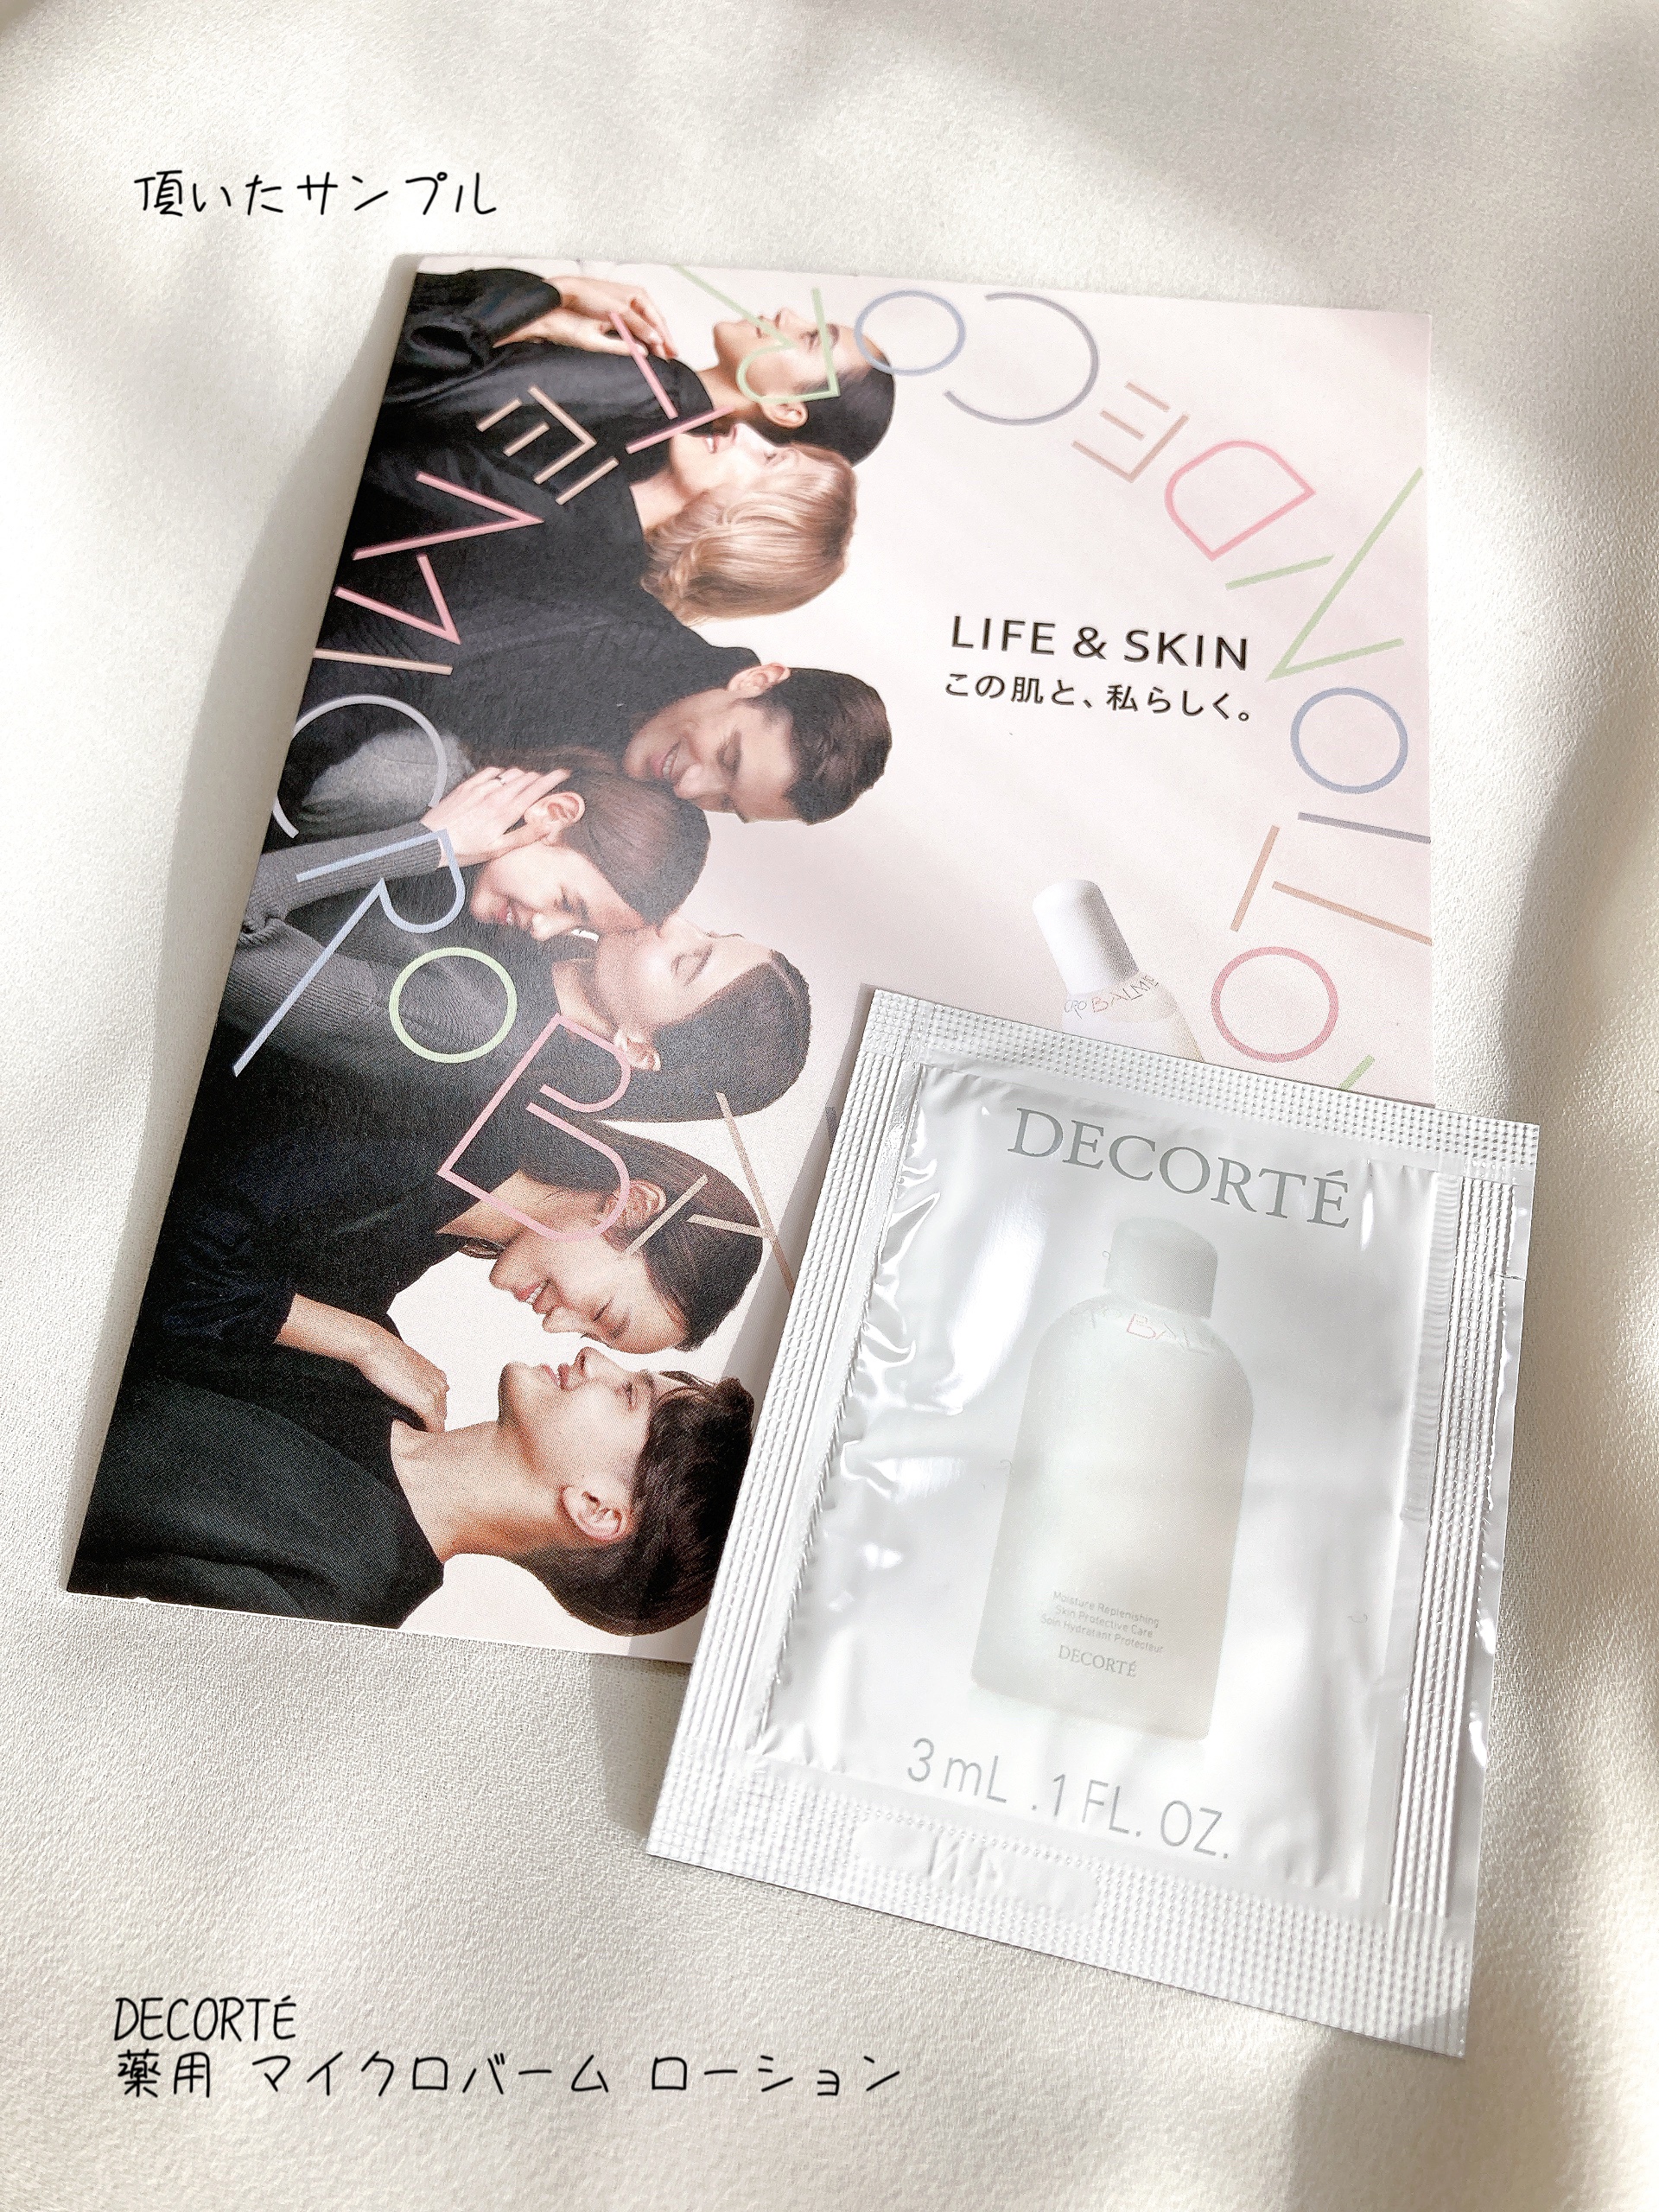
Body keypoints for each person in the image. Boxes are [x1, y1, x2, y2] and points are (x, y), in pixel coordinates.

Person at [229, 760, 813, 1120]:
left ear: (638, 1048)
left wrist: (426, 845)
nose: (674, 923)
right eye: (711, 932)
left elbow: (223, 940)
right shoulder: (533, 947)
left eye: (687, 963)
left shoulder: (476, 1025)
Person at [135, 1104, 765, 1431]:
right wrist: (363, 1344)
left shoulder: (424, 1240)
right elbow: (165, 1242)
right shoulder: (435, 1137)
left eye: (587, 1334)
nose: (555, 1326)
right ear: (630, 1206)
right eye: (601, 1312)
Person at [69, 1341, 753, 1637]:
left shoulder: (323, 1610)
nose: (594, 1357)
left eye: (628, 1394)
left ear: (597, 1508)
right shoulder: (375, 1360)